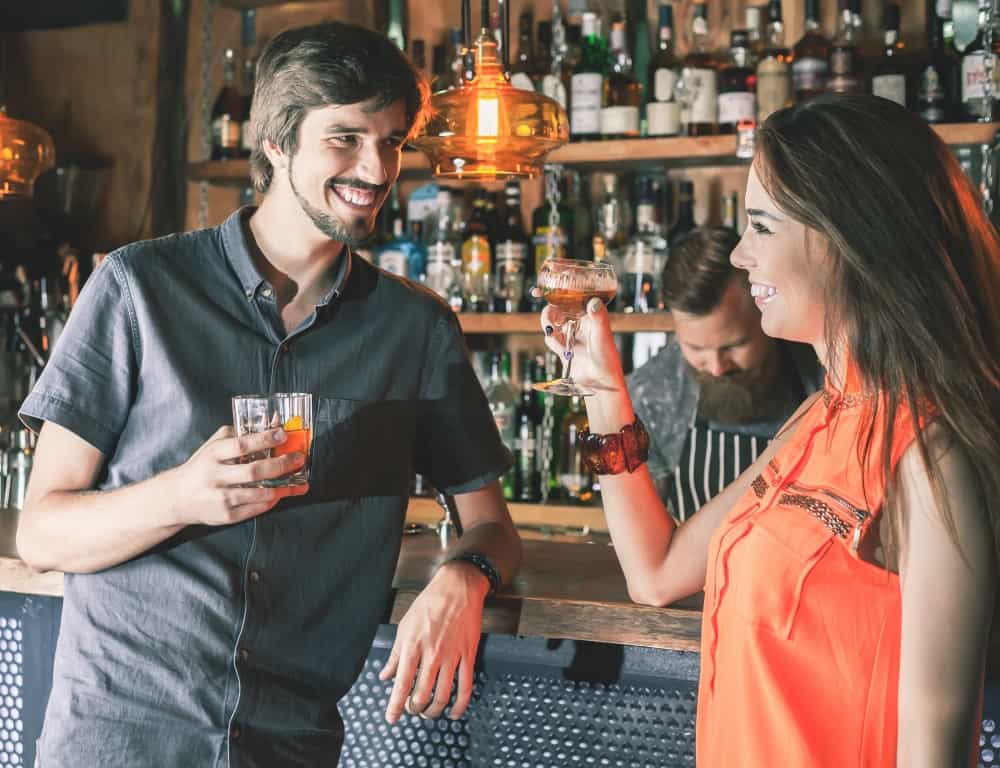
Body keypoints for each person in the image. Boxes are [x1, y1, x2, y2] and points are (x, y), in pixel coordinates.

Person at [17, 22, 521, 767]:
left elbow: (492, 528)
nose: (376, 167)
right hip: (118, 740)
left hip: (292, 746)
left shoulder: (415, 331)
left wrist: (461, 579)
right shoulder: (140, 287)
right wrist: (183, 496)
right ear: (278, 144)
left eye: (391, 141)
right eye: (345, 138)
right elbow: (41, 533)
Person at [540, 94, 998, 766]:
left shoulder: (929, 456)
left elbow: (934, 746)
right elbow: (656, 573)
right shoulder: (819, 419)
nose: (743, 255)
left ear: (847, 238)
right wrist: (603, 383)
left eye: (761, 226)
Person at [627, 226, 822, 520]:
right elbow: (646, 536)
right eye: (696, 349)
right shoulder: (652, 395)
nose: (717, 367)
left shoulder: (821, 375)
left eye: (735, 345)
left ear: (763, 312)